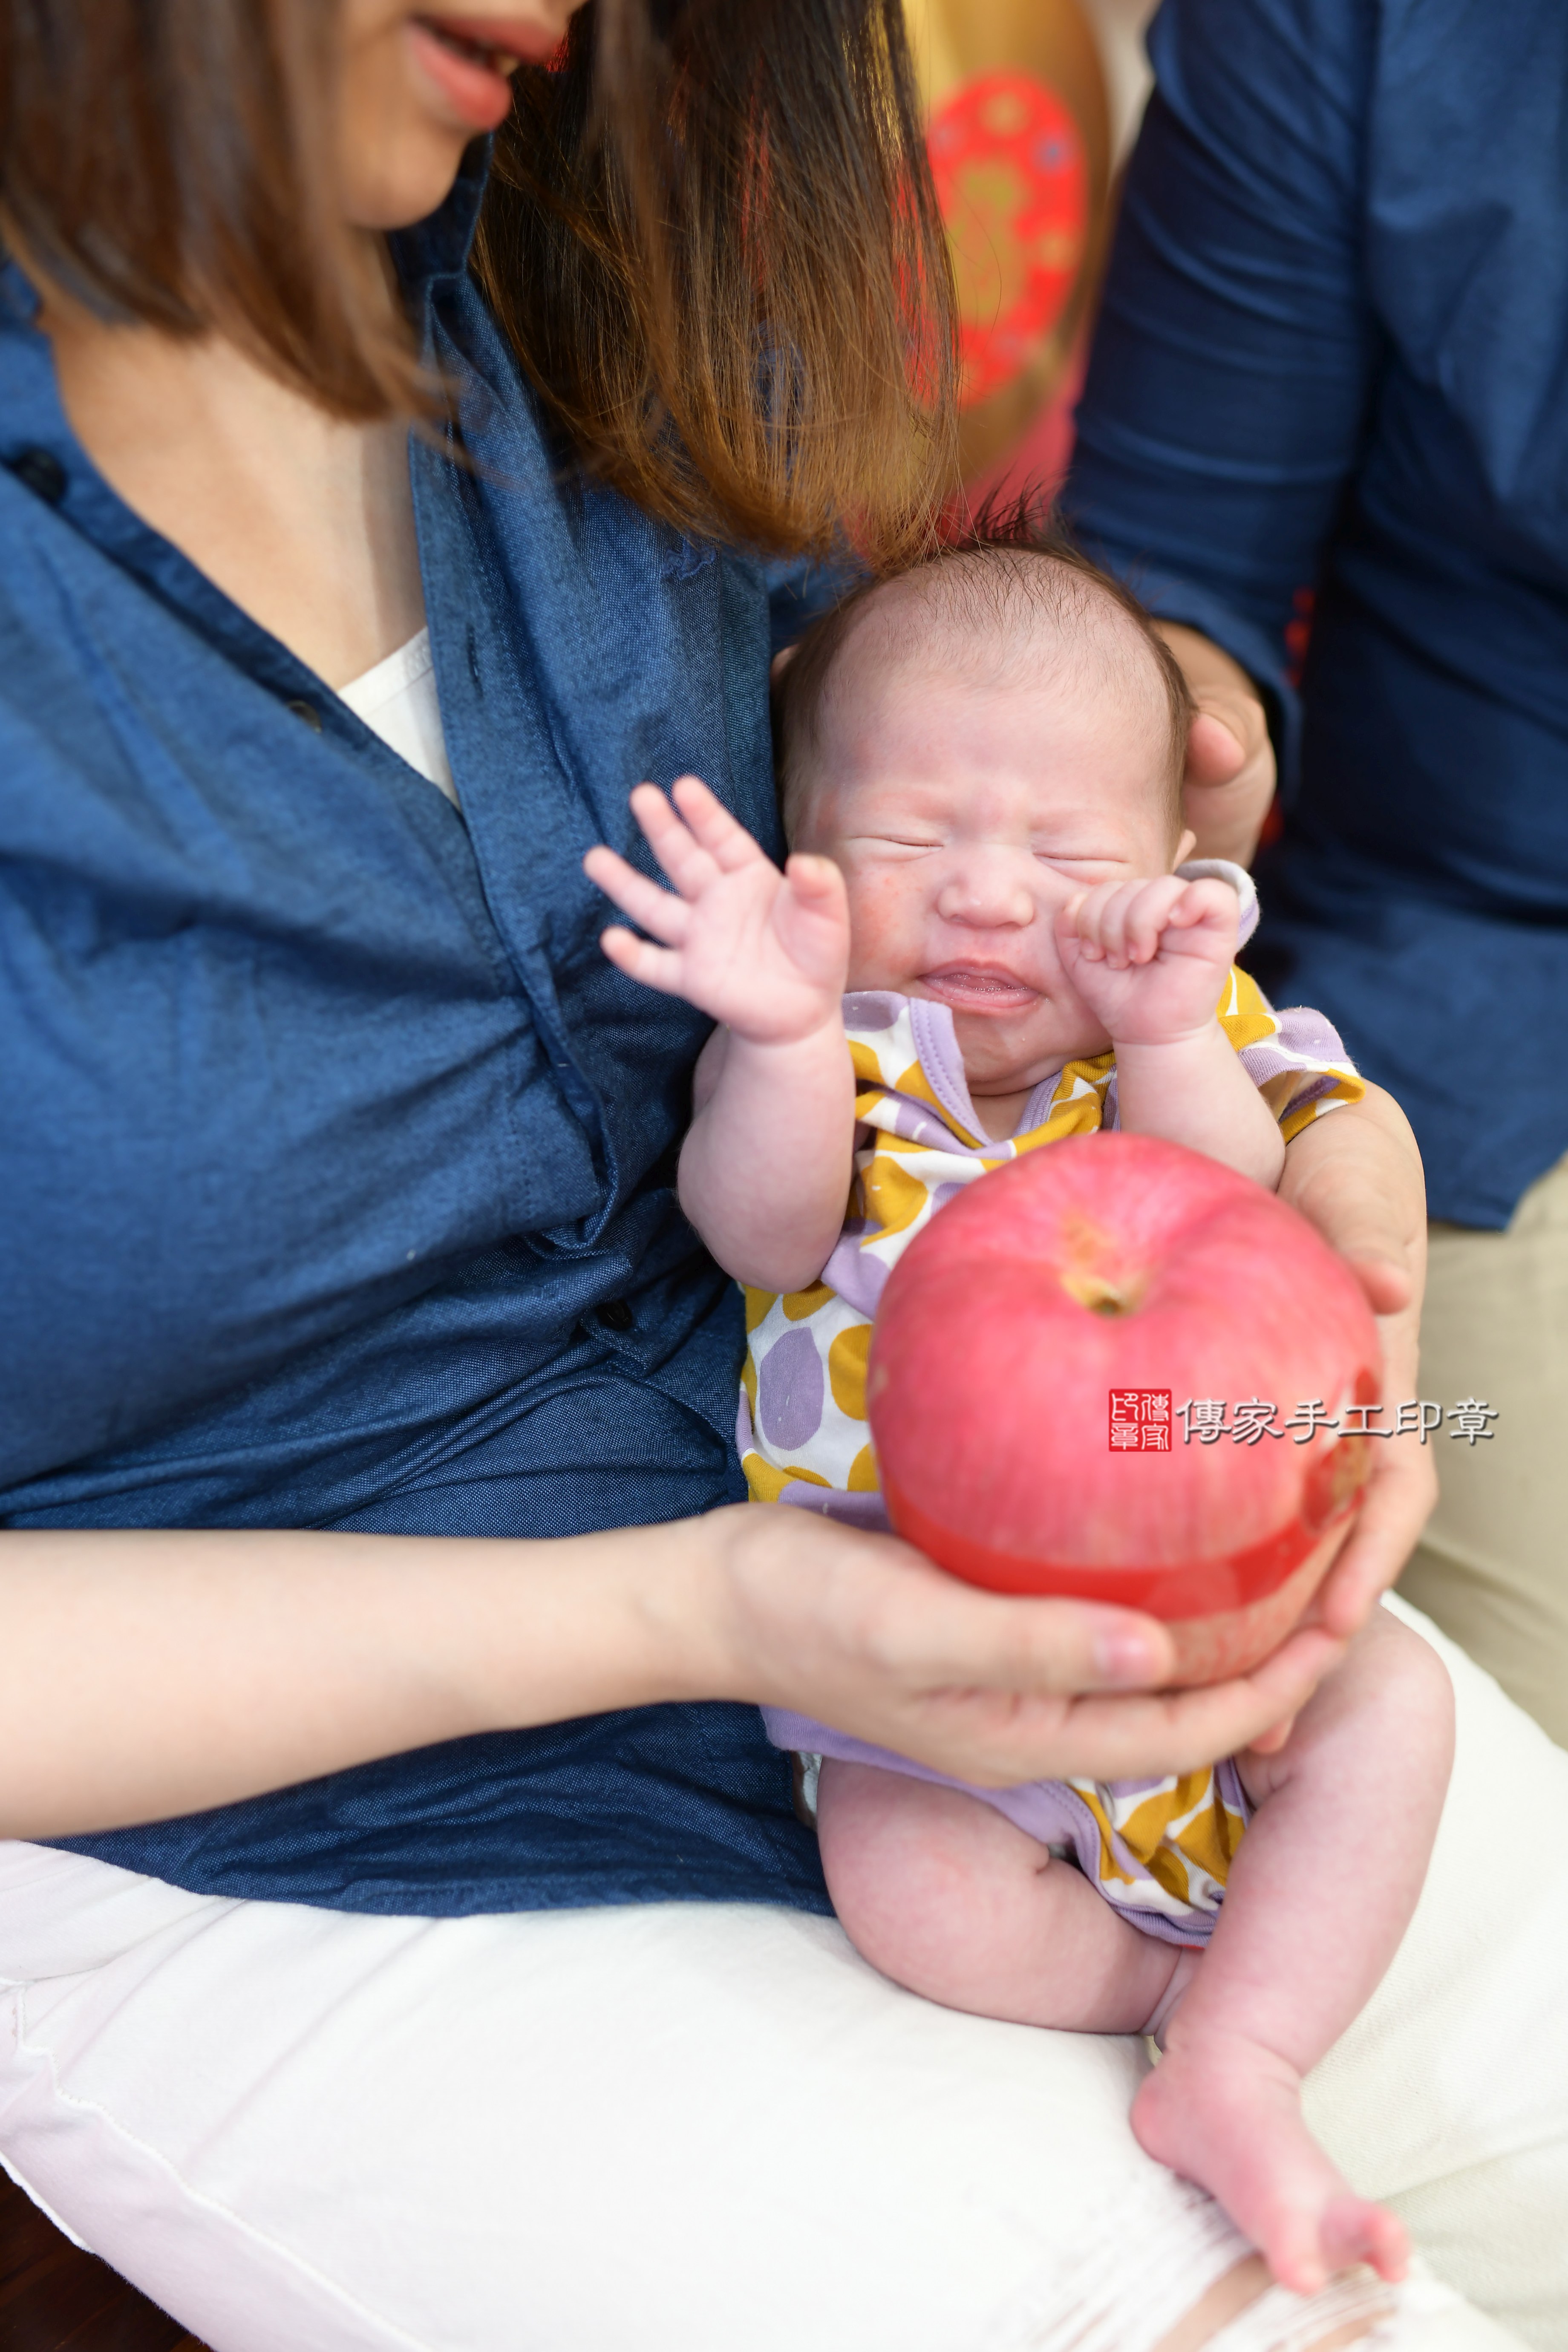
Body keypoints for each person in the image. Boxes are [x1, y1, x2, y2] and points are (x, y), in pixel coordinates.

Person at [0, 5, 1562, 2348]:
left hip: (960, 1571)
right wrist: (707, 1614)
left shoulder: (557, 283)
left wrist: (1319, 1149)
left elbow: (935, 781)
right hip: (302, 1804)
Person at [584, 530, 1455, 2297]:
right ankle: (1166, 1998)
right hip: (927, 1661)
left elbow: (1226, 1203)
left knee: (1391, 1710)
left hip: (1208, 1610)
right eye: (910, 840)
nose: (986, 895)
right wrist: (765, 1036)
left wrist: (1158, 1030)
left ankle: (1243, 2053)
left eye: (1066, 856)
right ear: (808, 843)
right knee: (904, 1891)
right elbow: (751, 1234)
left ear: (1172, 870)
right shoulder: (833, 1050)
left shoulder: (1173, 1031)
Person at [1063, 0, 1568, 1745]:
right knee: (1476, 1741)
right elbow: (1175, 557)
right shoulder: (1350, 30)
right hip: (1479, 977)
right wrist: (1151, 730)